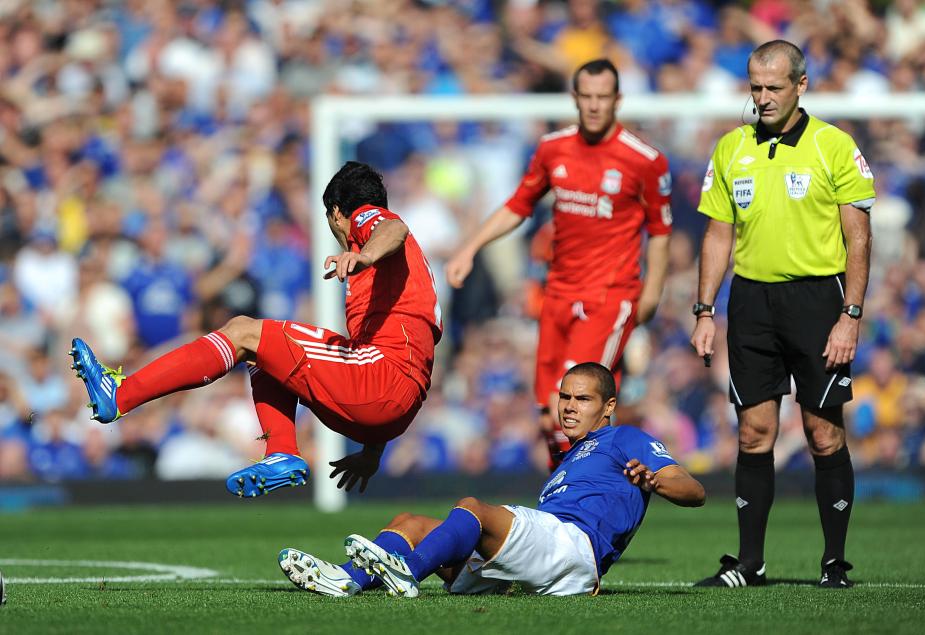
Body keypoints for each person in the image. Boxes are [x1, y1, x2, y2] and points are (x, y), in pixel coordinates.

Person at [70, 161, 443, 498]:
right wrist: (374, 446)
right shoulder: (406, 277)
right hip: (391, 407)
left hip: (377, 379)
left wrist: (363, 254)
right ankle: (281, 451)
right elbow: (407, 362)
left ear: (336, 214)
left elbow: (394, 228)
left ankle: (120, 394)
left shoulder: (368, 220)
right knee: (265, 354)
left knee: (244, 331)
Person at [690, 41, 875, 589]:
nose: (763, 97)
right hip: (751, 303)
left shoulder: (833, 146)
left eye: (774, 87)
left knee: (823, 434)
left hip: (819, 301)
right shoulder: (730, 148)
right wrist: (704, 310)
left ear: (801, 85)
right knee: (753, 432)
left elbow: (859, 236)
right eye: (755, 87)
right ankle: (750, 564)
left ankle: (834, 563)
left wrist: (851, 315)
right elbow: (718, 233)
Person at [276, 362, 704, 597]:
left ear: (608, 406)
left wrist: (654, 480)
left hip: (575, 550)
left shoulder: (624, 437)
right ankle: (347, 580)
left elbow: (694, 491)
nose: (569, 407)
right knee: (409, 522)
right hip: (541, 557)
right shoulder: (569, 458)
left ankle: (405, 574)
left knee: (472, 509)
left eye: (583, 399)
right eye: (565, 397)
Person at [446, 58, 673, 469]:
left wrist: (652, 293)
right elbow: (519, 205)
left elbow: (660, 231)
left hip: (609, 298)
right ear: (574, 98)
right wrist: (469, 247)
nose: (594, 106)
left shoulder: (644, 160)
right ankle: (569, 500)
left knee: (574, 404)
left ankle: (589, 502)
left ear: (617, 100)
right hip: (558, 296)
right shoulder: (554, 149)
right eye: (586, 96)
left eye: (603, 97)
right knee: (548, 416)